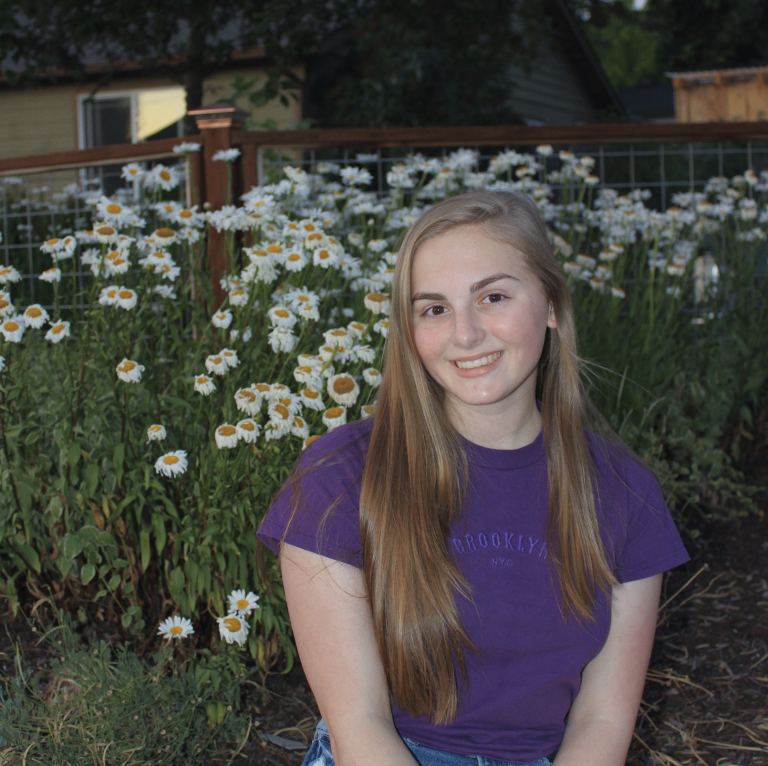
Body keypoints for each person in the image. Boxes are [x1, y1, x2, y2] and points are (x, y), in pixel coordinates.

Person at [257, 190, 689, 766]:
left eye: (492, 297)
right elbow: (358, 723)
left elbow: (601, 720)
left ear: (552, 304)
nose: (466, 334)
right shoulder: (339, 479)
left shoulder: (625, 494)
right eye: (434, 309)